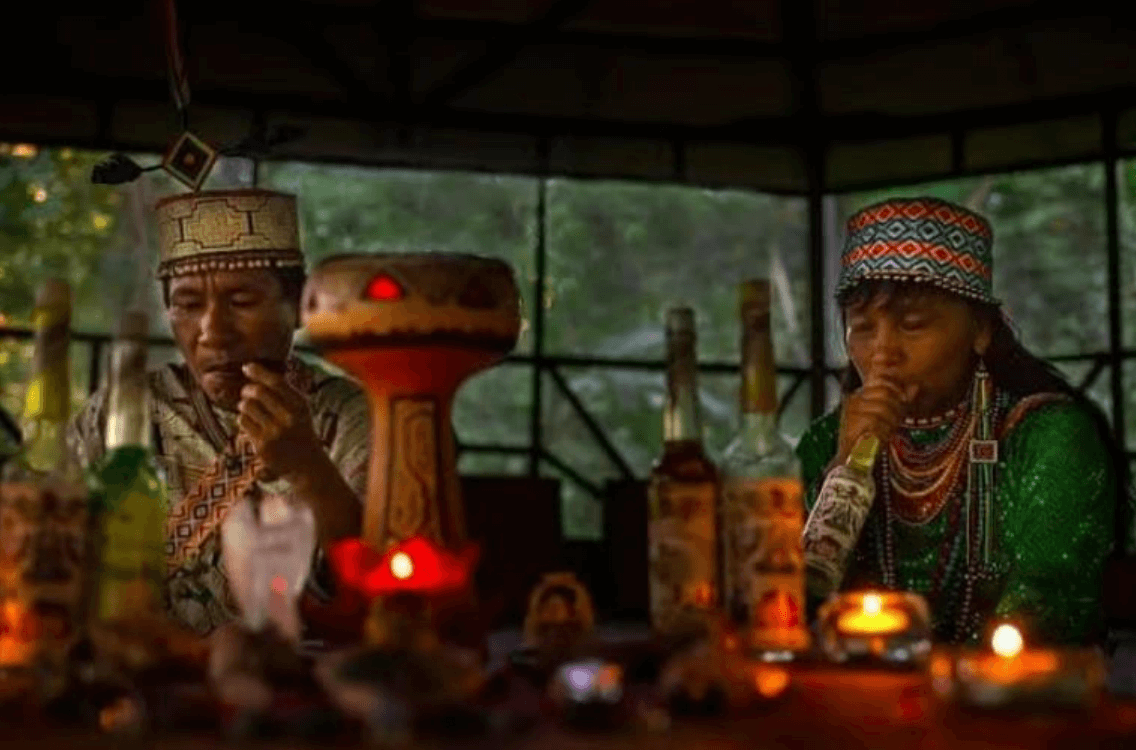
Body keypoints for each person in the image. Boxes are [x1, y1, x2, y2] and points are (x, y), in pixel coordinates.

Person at [797, 196, 1128, 645]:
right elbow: (788, 606)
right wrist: (844, 470)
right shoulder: (824, 442)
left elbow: (1045, 613)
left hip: (1008, 703)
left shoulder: (1049, 437)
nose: (882, 353)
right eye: (862, 327)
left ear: (981, 331)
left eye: (912, 325)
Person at [68, 189, 370, 636]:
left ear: (298, 307)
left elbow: (377, 586)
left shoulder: (350, 416)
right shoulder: (120, 413)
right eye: (189, 306)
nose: (213, 333)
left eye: (243, 302)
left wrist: (310, 469)